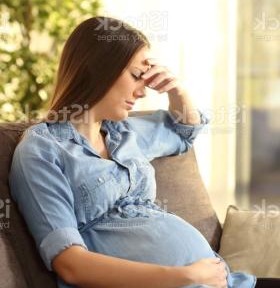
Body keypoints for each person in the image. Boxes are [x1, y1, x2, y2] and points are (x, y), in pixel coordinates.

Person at [9, 16, 258, 288]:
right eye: (137, 76)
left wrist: (177, 89)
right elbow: (70, 263)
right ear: (100, 68)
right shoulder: (41, 150)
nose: (143, 92)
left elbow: (185, 131)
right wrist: (185, 276)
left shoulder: (125, 132)